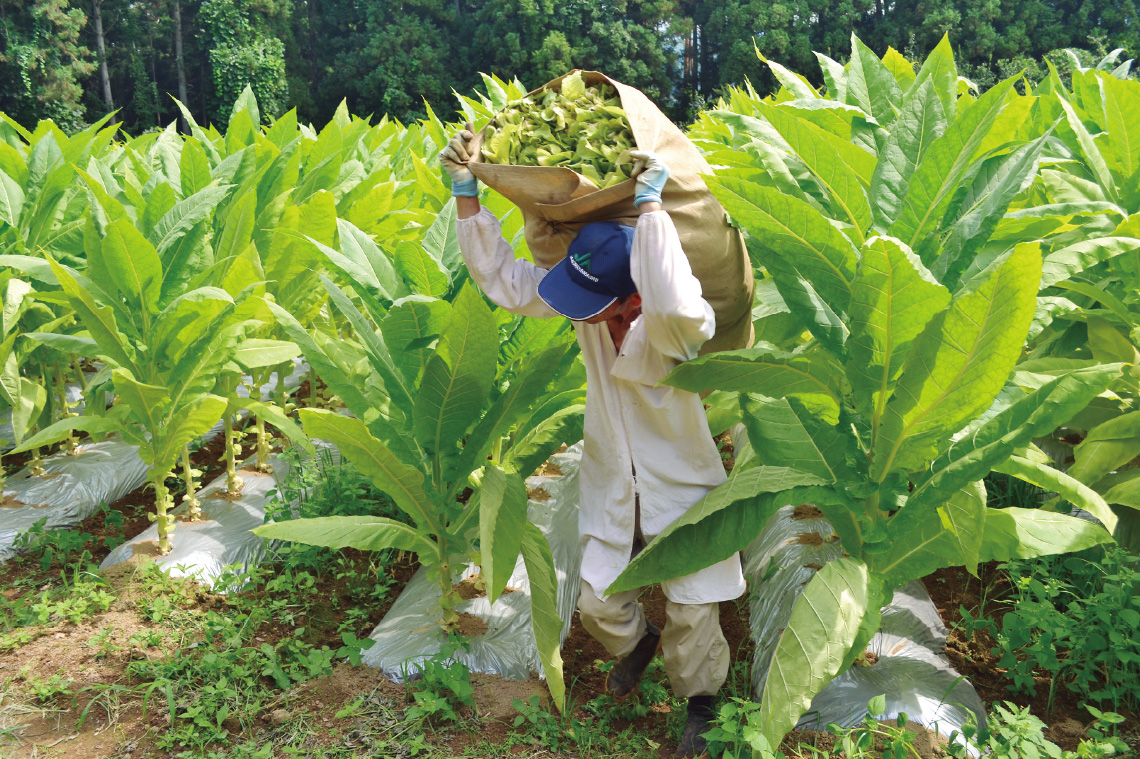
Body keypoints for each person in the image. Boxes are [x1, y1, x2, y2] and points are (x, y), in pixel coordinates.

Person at [440, 123, 745, 759]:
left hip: (682, 480)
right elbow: (508, 284)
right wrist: (468, 196)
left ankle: (700, 701)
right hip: (612, 471)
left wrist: (653, 208)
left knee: (694, 603)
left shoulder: (678, 330)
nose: (587, 318)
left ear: (632, 296)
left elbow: (677, 300)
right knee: (599, 599)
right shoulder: (590, 308)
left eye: (601, 308)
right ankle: (636, 642)